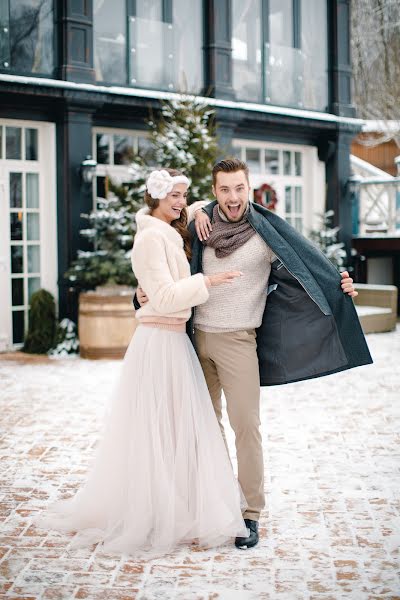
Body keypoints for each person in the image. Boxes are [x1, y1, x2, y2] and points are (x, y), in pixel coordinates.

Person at [136, 158, 372, 550]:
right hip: (191, 341)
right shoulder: (197, 226)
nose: (232, 197)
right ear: (213, 191)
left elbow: (304, 263)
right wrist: (139, 294)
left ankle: (250, 513)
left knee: (246, 427)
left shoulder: (264, 234)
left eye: (239, 188)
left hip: (239, 340)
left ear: (249, 188)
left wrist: (339, 284)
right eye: (224, 189)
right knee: (203, 430)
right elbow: (163, 270)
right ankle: (212, 505)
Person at [35, 168, 248, 557]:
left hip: (173, 341)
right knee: (157, 432)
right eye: (175, 197)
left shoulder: (167, 230)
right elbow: (165, 298)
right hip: (159, 344)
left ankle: (176, 506)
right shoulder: (151, 238)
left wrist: (198, 208)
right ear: (156, 198)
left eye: (184, 196)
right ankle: (152, 512)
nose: (182, 203)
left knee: (173, 430)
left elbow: (197, 211)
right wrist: (208, 283)